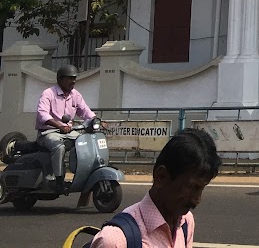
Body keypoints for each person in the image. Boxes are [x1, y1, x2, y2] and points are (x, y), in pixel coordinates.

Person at [90, 128, 221, 248]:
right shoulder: (115, 241)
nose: (197, 199)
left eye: (201, 188)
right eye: (191, 187)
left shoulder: (186, 222)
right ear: (161, 176)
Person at [36, 63, 95, 189]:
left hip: (69, 131)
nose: (73, 81)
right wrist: (59, 126)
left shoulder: (75, 95)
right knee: (59, 147)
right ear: (60, 79)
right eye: (69, 78)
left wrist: (96, 120)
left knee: (84, 142)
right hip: (48, 133)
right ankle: (58, 180)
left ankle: (82, 174)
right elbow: (42, 114)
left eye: (74, 78)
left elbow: (85, 111)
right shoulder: (48, 94)